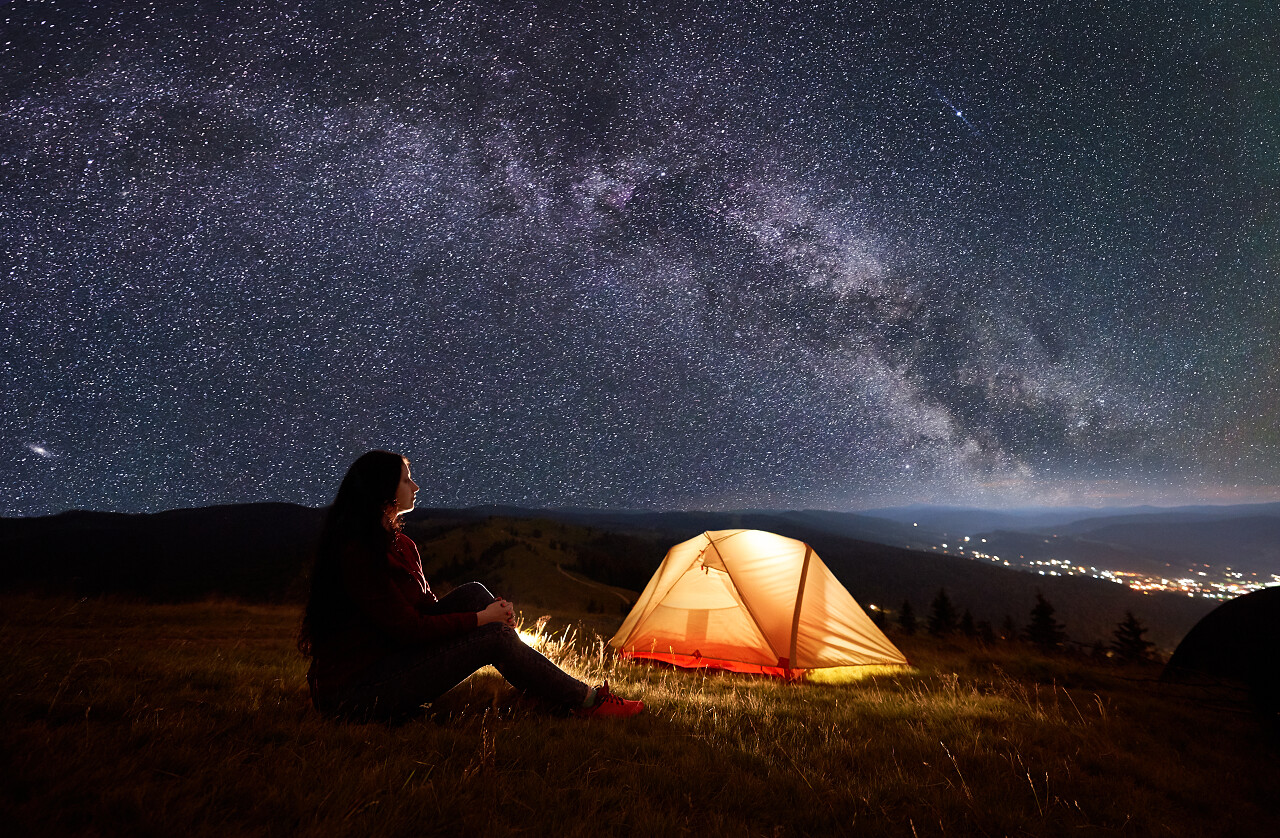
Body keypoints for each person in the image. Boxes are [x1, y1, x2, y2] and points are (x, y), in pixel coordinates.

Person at [298, 450, 643, 722]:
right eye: (407, 480)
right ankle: (587, 701)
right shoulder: (359, 552)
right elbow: (408, 629)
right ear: (383, 492)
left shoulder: (399, 543)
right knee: (491, 634)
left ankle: (540, 688)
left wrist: (489, 612)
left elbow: (426, 608)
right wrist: (484, 621)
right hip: (354, 692)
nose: (415, 487)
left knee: (475, 593)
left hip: (389, 660)